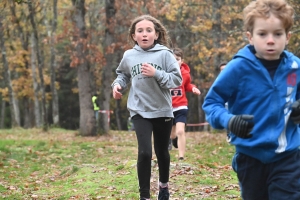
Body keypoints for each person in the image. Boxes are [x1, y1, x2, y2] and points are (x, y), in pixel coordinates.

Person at [202, 0, 300, 199]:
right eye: (263, 34)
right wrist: (229, 120)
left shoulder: (295, 67)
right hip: (250, 156)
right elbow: (211, 103)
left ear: (288, 37)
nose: (270, 40)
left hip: (287, 155)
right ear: (250, 37)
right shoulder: (237, 68)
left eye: (278, 34)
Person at [111, 14, 182, 200]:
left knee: (162, 153)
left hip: (162, 110)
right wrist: (117, 86)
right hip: (139, 109)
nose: (144, 34)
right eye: (140, 31)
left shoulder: (165, 54)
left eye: (148, 30)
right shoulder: (129, 55)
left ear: (156, 34)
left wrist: (157, 73)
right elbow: (123, 75)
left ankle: (164, 186)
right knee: (144, 152)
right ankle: (144, 196)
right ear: (134, 36)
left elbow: (176, 80)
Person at [169, 47, 201, 161]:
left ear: (181, 61)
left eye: (177, 59)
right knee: (172, 134)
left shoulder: (185, 74)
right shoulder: (164, 73)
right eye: (172, 59)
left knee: (180, 131)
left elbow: (187, 86)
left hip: (181, 106)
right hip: (168, 108)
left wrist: (193, 88)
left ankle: (181, 156)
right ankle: (172, 140)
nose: (175, 62)